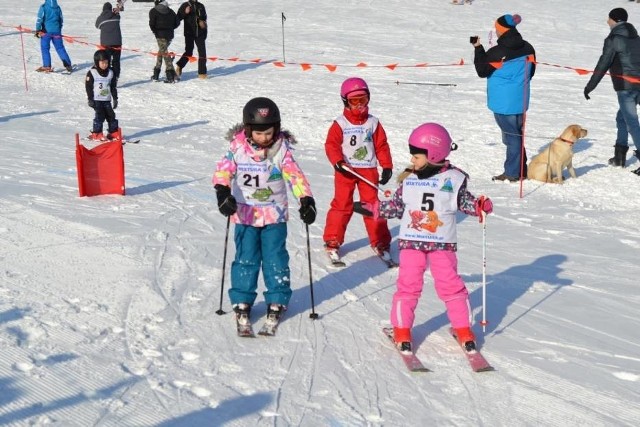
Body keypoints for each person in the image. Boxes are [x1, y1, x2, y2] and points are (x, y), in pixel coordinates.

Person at [355, 123, 493, 354]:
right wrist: (373, 209)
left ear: (434, 154)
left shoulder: (453, 179)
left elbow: (465, 202)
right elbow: (397, 207)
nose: (413, 160)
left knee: (451, 286)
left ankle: (464, 330)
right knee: (408, 286)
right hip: (412, 244)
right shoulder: (409, 179)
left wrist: (480, 206)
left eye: (417, 156)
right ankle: (402, 330)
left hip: (441, 244)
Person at [213, 97, 316, 328]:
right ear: (248, 130)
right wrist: (222, 192)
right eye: (259, 133)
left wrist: (305, 199)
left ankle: (277, 298)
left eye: (268, 133)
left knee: (275, 258)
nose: (264, 138)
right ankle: (242, 298)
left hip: (274, 214)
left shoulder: (281, 150)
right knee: (245, 258)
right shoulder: (237, 148)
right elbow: (223, 171)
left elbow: (294, 175)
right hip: (245, 214)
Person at [323, 77, 394, 264]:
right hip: (346, 170)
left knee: (373, 207)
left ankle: (381, 242)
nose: (360, 105)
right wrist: (337, 161)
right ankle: (333, 240)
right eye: (355, 101)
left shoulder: (373, 123)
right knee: (342, 205)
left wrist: (386, 165)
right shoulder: (340, 124)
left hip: (368, 170)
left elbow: (382, 145)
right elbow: (331, 145)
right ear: (346, 102)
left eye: (363, 100)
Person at [472, 14, 536, 182]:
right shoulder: (528, 47)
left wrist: (478, 48)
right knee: (516, 134)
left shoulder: (497, 52)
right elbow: (531, 72)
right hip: (521, 99)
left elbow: (482, 71)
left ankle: (513, 173)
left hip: (503, 103)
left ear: (500, 31)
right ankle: (520, 169)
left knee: (512, 137)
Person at [584, 8, 640, 175]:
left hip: (626, 87)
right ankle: (619, 156)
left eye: (609, 19)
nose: (607, 21)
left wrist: (590, 86)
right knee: (621, 117)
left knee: (632, 121)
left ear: (614, 20)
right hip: (638, 85)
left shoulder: (613, 39)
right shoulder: (636, 37)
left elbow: (603, 64)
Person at [86, 50, 120, 141]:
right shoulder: (92, 73)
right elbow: (88, 87)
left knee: (111, 115)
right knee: (99, 116)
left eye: (106, 62)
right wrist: (90, 99)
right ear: (97, 62)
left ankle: (113, 132)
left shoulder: (110, 73)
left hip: (106, 99)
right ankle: (97, 133)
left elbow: (113, 87)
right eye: (102, 63)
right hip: (97, 99)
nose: (104, 65)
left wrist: (115, 98)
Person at [35, 0, 73, 73]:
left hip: (46, 32)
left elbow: (39, 19)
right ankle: (68, 64)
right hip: (57, 31)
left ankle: (47, 66)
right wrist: (59, 29)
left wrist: (38, 30)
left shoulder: (43, 7)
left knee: (45, 48)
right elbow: (61, 19)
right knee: (60, 48)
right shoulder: (58, 7)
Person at [175, 0, 208, 80]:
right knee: (189, 52)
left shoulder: (201, 6)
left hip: (200, 33)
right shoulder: (185, 5)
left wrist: (204, 29)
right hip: (189, 33)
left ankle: (202, 73)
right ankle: (180, 66)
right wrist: (185, 12)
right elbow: (177, 18)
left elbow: (204, 19)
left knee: (202, 53)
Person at [149, 0, 180, 83]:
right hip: (169, 35)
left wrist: (155, 32)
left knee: (164, 53)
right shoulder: (171, 11)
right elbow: (177, 22)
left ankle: (171, 76)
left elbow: (151, 24)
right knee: (162, 52)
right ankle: (156, 75)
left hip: (160, 35)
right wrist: (170, 28)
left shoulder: (153, 11)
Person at [95, 2, 123, 82]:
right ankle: (116, 76)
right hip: (117, 43)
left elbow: (97, 25)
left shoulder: (101, 18)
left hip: (106, 44)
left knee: (106, 61)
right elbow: (118, 16)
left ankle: (106, 76)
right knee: (116, 61)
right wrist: (115, 11)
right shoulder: (116, 16)